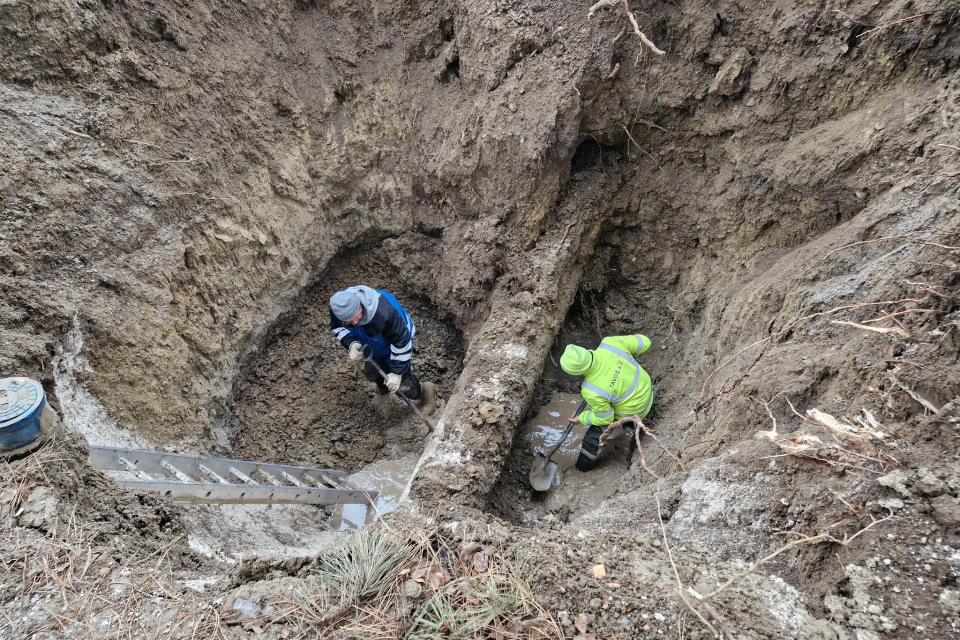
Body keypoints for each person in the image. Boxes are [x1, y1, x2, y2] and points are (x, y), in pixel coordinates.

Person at [329, 285, 436, 413]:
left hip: (397, 342)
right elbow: (338, 328)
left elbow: (402, 342)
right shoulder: (338, 309)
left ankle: (426, 392)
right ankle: (384, 390)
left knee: (403, 387)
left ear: (360, 305)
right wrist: (351, 343)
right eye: (349, 322)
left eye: (356, 317)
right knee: (371, 373)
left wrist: (397, 373)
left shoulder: (385, 313)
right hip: (371, 342)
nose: (355, 323)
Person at [560, 333, 654, 471]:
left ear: (575, 372)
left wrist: (582, 417)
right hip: (648, 393)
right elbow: (645, 342)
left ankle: (582, 470)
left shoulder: (591, 390)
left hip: (635, 414)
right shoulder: (610, 343)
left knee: (593, 438)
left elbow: (605, 418)